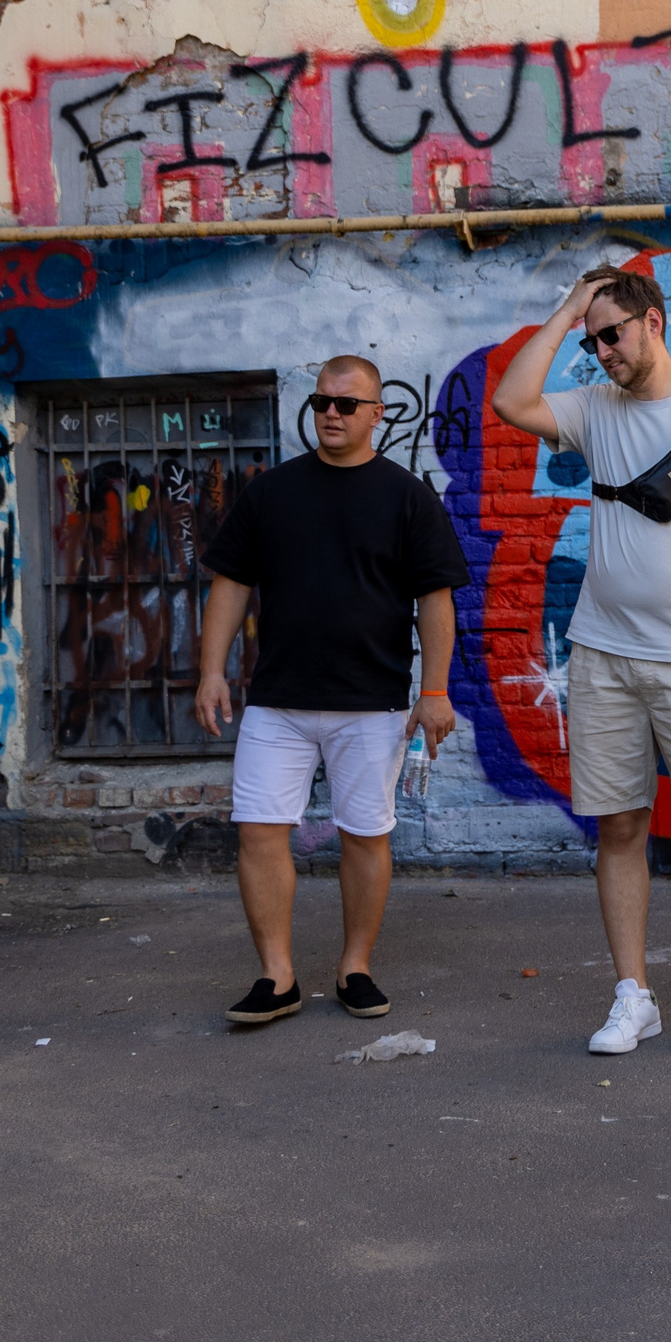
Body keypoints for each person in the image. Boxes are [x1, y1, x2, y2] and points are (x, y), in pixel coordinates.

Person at [490, 265, 671, 1056]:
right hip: (605, 654)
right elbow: (511, 401)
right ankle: (635, 996)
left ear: (653, 322)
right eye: (592, 342)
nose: (601, 353)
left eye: (611, 334)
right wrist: (565, 311)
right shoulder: (593, 409)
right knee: (620, 823)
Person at [193, 355, 468, 1027]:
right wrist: (210, 670)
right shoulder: (271, 492)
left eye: (347, 404)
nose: (332, 414)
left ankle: (355, 966)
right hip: (277, 702)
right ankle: (276, 975)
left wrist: (435, 689)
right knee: (258, 833)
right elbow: (229, 583)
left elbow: (436, 598)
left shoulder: (406, 496)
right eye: (322, 403)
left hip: (372, 704)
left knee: (365, 836)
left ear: (378, 413)